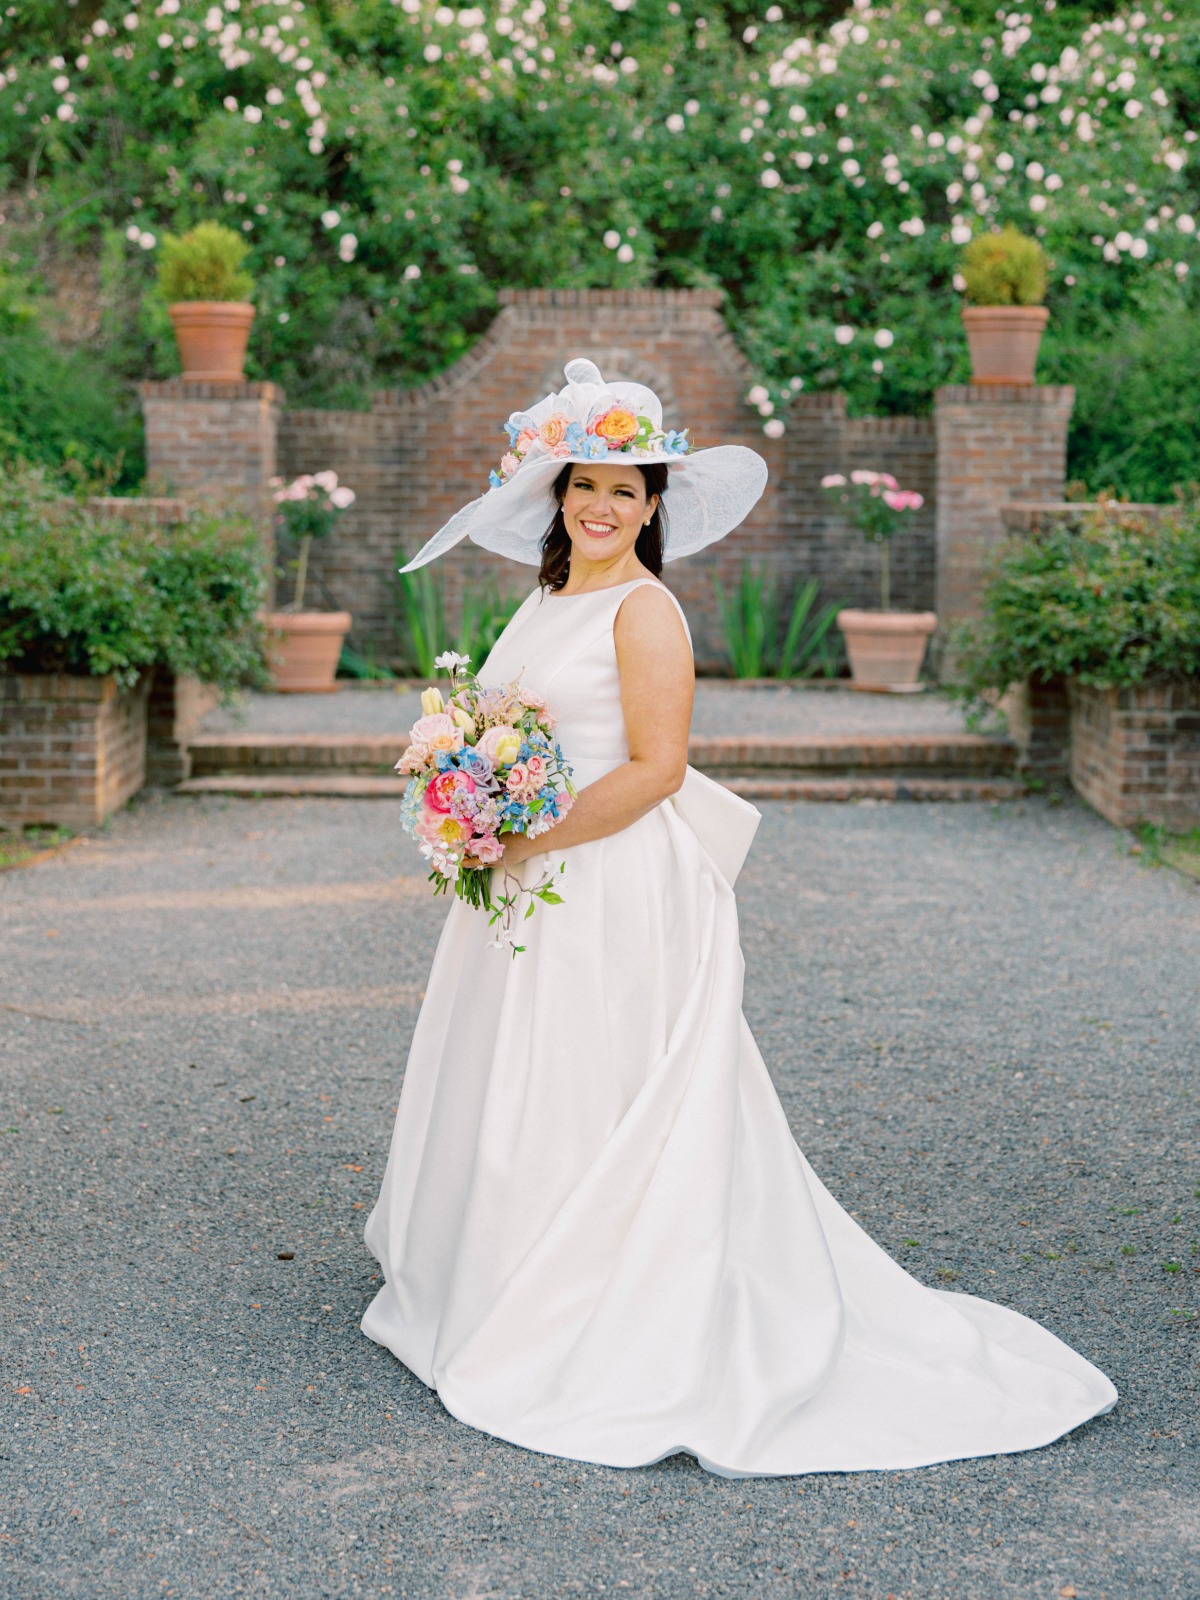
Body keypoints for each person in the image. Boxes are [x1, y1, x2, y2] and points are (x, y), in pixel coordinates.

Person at [360, 358, 1117, 1478]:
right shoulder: (545, 596)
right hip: (531, 878)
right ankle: (506, 1270)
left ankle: (611, 1298)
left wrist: (522, 837)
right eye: (586, 487)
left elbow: (659, 769)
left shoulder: (645, 609)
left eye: (627, 490)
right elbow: (511, 724)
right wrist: (465, 793)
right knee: (523, 1072)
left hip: (609, 881)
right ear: (558, 495)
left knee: (599, 1077)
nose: (602, 506)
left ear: (655, 504)